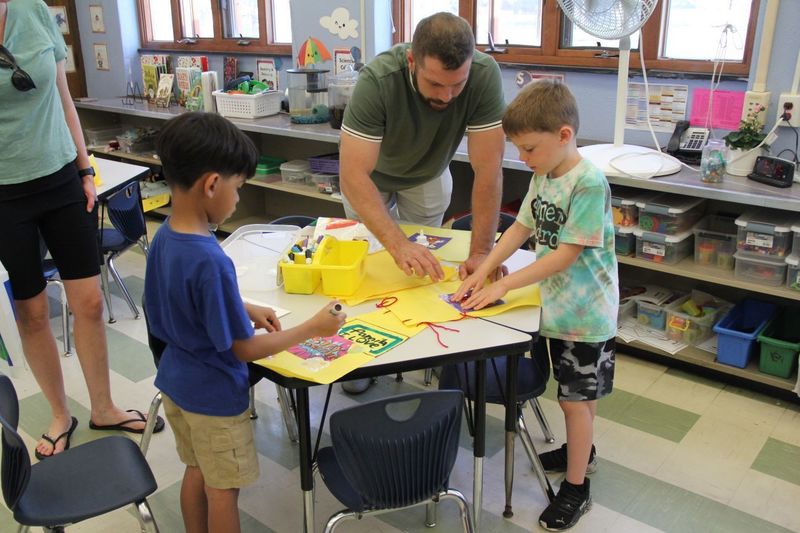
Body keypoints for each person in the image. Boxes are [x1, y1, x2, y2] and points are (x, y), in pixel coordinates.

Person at [146, 112, 345, 533]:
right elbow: (243, 350)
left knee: (196, 471)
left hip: (176, 383)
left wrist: (243, 306)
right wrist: (312, 328)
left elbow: (179, 303)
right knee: (223, 491)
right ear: (211, 185)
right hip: (213, 398)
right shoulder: (211, 260)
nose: (238, 199)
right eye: (238, 188)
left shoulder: (165, 236)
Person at [452, 79, 618, 531]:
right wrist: (484, 269)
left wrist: (504, 286)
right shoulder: (544, 174)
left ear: (564, 135)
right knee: (575, 398)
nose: (523, 159)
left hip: (586, 317)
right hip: (556, 308)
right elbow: (520, 229)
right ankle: (583, 451)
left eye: (529, 149)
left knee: (575, 403)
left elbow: (565, 255)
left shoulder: (588, 183)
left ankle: (577, 487)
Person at [0, 0, 163, 461]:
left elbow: (63, 98)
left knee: (89, 303)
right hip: (5, 193)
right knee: (31, 311)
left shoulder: (33, 11)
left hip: (60, 179)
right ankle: (59, 415)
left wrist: (85, 169)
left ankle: (104, 407)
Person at [339, 11, 506, 283]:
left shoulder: (484, 75)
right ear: (411, 61)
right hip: (370, 179)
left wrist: (481, 252)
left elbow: (489, 169)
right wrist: (398, 244)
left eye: (458, 84)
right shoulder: (377, 80)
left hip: (429, 172)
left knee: (422, 266)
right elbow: (352, 175)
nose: (446, 96)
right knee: (374, 259)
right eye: (435, 83)